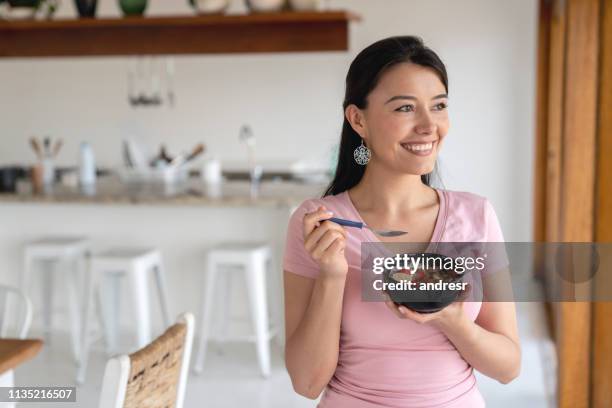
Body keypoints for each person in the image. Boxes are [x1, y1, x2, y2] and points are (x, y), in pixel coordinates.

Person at [282, 36, 521, 407]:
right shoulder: (320, 223)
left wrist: (452, 320)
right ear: (358, 119)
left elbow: (508, 367)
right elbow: (307, 382)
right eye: (405, 108)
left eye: (439, 106)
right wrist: (332, 275)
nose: (429, 126)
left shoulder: (477, 216)